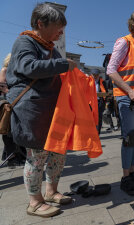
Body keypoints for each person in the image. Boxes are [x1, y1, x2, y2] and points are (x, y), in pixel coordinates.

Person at [6, 3, 76, 217]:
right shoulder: (24, 41)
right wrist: (64, 65)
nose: (61, 32)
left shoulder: (49, 46)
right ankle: (34, 202)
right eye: (58, 26)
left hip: (50, 110)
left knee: (57, 154)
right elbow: (29, 67)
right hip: (32, 110)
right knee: (36, 156)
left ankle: (51, 192)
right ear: (40, 23)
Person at [106, 9, 134, 196]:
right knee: (130, 137)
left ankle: (132, 172)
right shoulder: (123, 42)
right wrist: (130, 91)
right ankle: (125, 178)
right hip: (127, 97)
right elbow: (111, 70)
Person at [0, 54, 27, 168]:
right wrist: (10, 91)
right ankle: (11, 156)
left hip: (17, 101)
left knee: (17, 128)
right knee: (8, 129)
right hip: (8, 102)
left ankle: (18, 155)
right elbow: (2, 86)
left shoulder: (17, 71)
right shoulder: (5, 70)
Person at [91, 68, 107, 135]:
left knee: (99, 118)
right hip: (91, 102)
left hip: (99, 102)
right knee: (91, 118)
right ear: (91, 75)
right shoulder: (88, 81)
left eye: (96, 75)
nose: (95, 76)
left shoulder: (103, 82)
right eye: (94, 75)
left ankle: (98, 133)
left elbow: (106, 92)